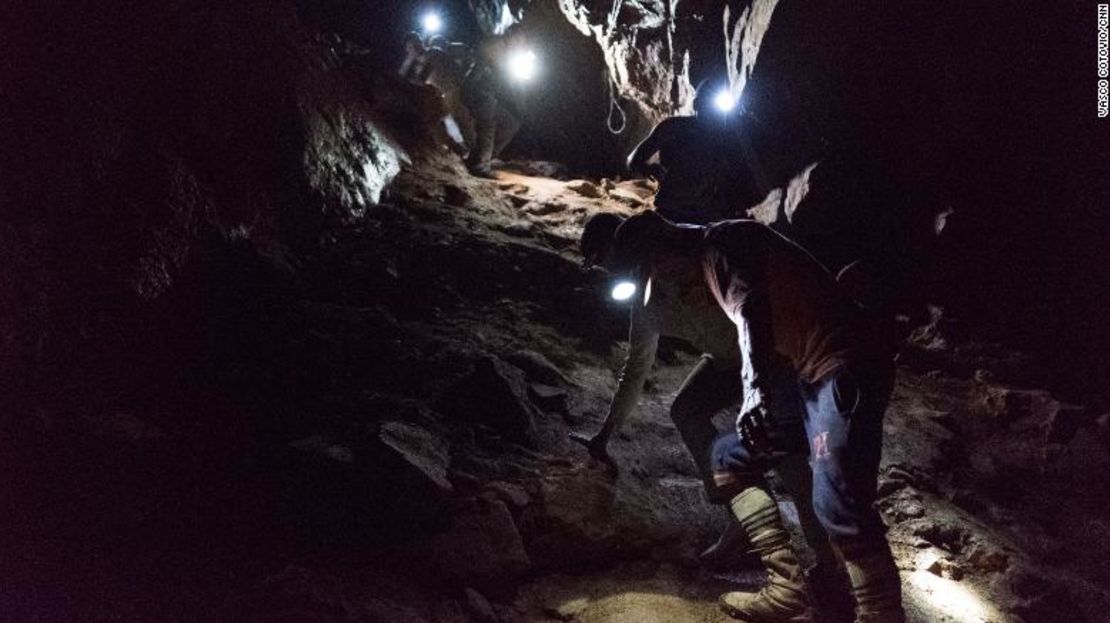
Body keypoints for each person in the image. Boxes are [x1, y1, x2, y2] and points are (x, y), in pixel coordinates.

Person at [608, 212, 903, 623]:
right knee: (727, 459)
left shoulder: (723, 244)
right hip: (807, 377)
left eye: (656, 265)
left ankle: (881, 614)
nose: (663, 277)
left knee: (836, 499)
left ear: (665, 241)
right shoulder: (706, 264)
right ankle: (788, 585)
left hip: (845, 365)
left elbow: (751, 311)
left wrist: (755, 390)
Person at [571, 213, 841, 582]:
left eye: (608, 258)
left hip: (775, 357)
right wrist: (605, 434)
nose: (609, 268)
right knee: (686, 410)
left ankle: (827, 557)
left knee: (785, 454)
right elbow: (636, 367)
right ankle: (742, 516)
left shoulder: (707, 259)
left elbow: (755, 312)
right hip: (727, 360)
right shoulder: (647, 300)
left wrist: (759, 390)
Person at [626, 84, 762, 225]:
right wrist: (652, 170)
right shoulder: (674, 128)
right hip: (670, 211)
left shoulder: (727, 139)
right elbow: (633, 160)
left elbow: (735, 179)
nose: (713, 113)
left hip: (705, 217)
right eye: (708, 105)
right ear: (696, 105)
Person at [459, 33, 523, 178]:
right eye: (519, 39)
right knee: (487, 124)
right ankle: (480, 166)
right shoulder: (497, 43)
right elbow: (485, 57)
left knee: (511, 123)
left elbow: (504, 81)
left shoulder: (507, 54)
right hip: (477, 91)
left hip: (487, 94)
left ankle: (479, 157)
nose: (520, 43)